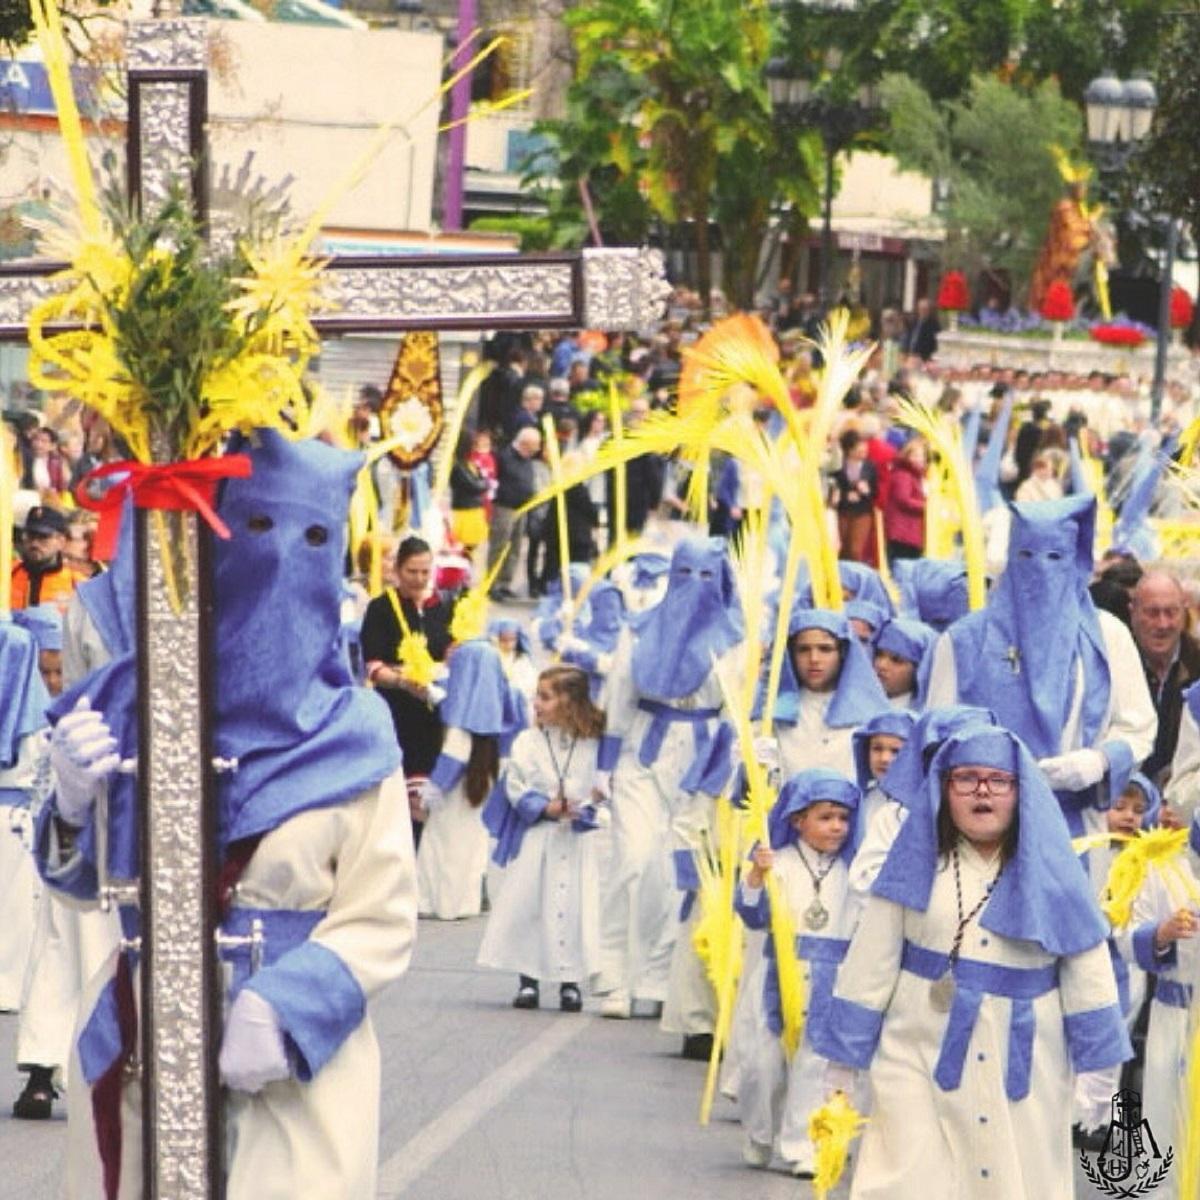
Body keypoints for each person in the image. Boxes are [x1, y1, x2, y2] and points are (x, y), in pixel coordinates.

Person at [37, 430, 418, 1199]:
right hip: (145, 1035)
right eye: (254, 529)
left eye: (312, 537)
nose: (279, 558)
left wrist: (289, 1005)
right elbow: (82, 890)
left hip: (294, 1066)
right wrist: (72, 805)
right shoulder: (133, 701)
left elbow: (383, 916)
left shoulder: (357, 733)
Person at [815, 725, 1132, 1200]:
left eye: (997, 780)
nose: (982, 791)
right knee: (905, 1176)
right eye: (966, 779)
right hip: (915, 1048)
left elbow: (1089, 974)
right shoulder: (912, 865)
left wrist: (1099, 1079)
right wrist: (842, 1064)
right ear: (944, 790)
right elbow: (869, 966)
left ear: (1020, 793)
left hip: (1023, 1064)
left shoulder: (1056, 876)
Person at [926, 496, 1156, 837]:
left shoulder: (1108, 636)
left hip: (1077, 828)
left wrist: (1099, 761)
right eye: (1026, 556)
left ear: (1076, 562)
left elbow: (1139, 725)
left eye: (1055, 557)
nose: (1040, 570)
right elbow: (935, 734)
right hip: (983, 832)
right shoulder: (963, 641)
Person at [596, 536, 743, 1023]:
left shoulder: (737, 639)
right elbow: (618, 699)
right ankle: (613, 976)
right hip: (642, 754)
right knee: (632, 862)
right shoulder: (639, 631)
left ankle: (657, 980)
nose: (694, 588)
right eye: (685, 575)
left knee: (677, 873)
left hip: (703, 761)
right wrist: (603, 768)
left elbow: (738, 710)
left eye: (706, 576)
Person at [735, 769, 861, 1177]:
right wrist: (756, 875)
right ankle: (759, 1133)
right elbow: (753, 916)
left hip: (832, 977)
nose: (836, 827)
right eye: (825, 817)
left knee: (814, 1065)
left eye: (843, 818)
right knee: (763, 1064)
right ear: (797, 820)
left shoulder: (854, 870)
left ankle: (800, 1147)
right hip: (780, 971)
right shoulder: (780, 862)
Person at [478, 665, 605, 1011]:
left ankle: (570, 982)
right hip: (539, 835)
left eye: (545, 697)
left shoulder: (594, 743)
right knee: (529, 907)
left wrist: (588, 806)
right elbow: (516, 785)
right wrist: (546, 806)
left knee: (574, 908)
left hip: (578, 838)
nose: (536, 703)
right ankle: (528, 980)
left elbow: (605, 786)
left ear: (569, 702)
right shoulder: (528, 741)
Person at [416, 638, 524, 920]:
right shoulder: (500, 703)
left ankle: (437, 902)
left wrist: (433, 787)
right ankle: (463, 902)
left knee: (443, 844)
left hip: (455, 790)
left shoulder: (463, 716)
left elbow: (454, 754)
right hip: (481, 782)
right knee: (470, 848)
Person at [361, 536, 453, 845]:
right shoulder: (381, 608)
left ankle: (429, 855)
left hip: (438, 715)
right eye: (412, 571)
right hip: (398, 711)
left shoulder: (445, 605)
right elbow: (373, 666)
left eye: (425, 572)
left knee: (433, 797)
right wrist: (402, 679)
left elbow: (454, 652)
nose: (419, 579)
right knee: (402, 799)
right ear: (398, 571)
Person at [769, 608, 889, 780]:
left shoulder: (870, 713)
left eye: (825, 649)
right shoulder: (774, 710)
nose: (814, 659)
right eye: (803, 649)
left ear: (842, 653)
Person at [1129, 569, 1200, 785]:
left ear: (1184, 613)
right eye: (1152, 613)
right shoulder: (1114, 665)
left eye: (1171, 612)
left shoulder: (1197, 665)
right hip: (1124, 805)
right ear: (1132, 612)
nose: (1163, 624)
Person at [487, 426, 542, 600]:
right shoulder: (504, 456)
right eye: (534, 446)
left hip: (522, 508)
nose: (537, 450)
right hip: (504, 506)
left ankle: (505, 582)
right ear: (525, 444)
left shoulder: (527, 460)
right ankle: (492, 583)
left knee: (515, 547)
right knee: (499, 546)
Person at [11, 506, 91, 612]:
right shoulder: (7, 574)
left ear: (61, 542)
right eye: (30, 536)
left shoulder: (77, 584)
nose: (35, 543)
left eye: (43, 537)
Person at [831, 430, 878, 564]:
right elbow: (835, 486)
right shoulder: (839, 466)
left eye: (865, 449)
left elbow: (875, 492)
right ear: (850, 450)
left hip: (862, 511)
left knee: (855, 550)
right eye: (860, 449)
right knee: (841, 547)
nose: (864, 452)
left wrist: (867, 491)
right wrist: (846, 496)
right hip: (843, 511)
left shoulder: (870, 466)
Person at [872, 617, 934, 709]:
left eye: (896, 660)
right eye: (879, 654)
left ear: (919, 669)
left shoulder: (923, 717)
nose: (882, 665)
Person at [447, 431, 491, 560]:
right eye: (473, 445)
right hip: (464, 512)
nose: (475, 448)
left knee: (472, 548)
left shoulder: (470, 464)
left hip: (475, 510)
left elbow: (482, 479)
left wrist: (484, 482)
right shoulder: (457, 466)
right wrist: (485, 483)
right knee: (463, 549)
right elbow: (475, 486)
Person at [883, 437, 926, 563]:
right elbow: (903, 499)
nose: (920, 459)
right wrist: (927, 507)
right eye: (916, 455)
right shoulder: (904, 475)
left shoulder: (917, 476)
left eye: (922, 456)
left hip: (909, 531)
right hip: (903, 532)